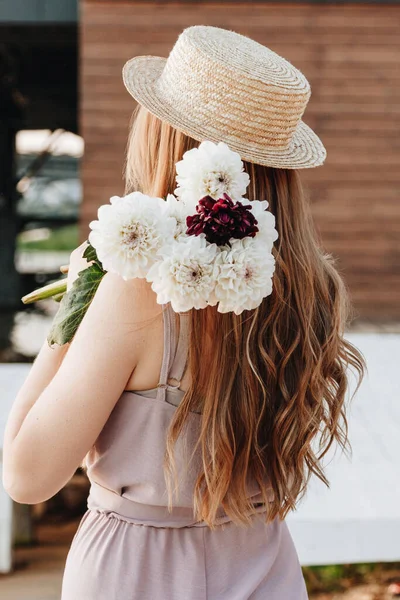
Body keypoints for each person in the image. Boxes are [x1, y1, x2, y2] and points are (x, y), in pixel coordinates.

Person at [3, 25, 365, 599]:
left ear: (167, 139)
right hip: (263, 560)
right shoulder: (310, 287)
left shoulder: (138, 287)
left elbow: (28, 475)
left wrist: (76, 301)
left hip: (135, 571)